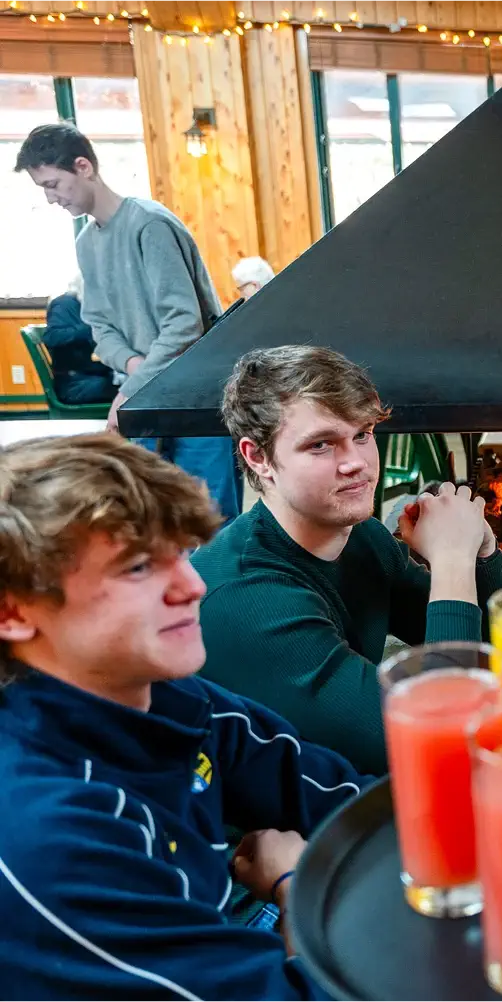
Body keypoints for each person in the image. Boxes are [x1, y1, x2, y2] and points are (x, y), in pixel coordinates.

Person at [0, 433, 372, 1001]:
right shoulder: (47, 836)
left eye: (181, 553)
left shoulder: (164, 693)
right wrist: (296, 886)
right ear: (13, 611)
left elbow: (342, 795)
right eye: (138, 567)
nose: (194, 586)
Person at [192, 346, 502, 775]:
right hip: (252, 811)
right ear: (258, 457)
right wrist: (452, 558)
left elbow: (484, 652)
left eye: (362, 434)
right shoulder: (248, 597)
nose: (356, 463)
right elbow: (438, 744)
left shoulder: (361, 536)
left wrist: (480, 551)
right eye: (321, 445)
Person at [14, 123, 242, 522]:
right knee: (158, 517)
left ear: (83, 167)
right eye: (43, 189)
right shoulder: (86, 243)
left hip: (196, 396)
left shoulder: (150, 224)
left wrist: (131, 387)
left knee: (211, 518)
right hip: (146, 395)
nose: (50, 198)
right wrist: (134, 367)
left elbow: (183, 324)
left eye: (53, 184)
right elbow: (99, 326)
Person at [41, 274, 115, 406]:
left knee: (132, 380)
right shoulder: (64, 304)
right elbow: (52, 337)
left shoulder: (85, 306)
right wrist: (93, 328)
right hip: (73, 384)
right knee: (131, 386)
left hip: (86, 374)